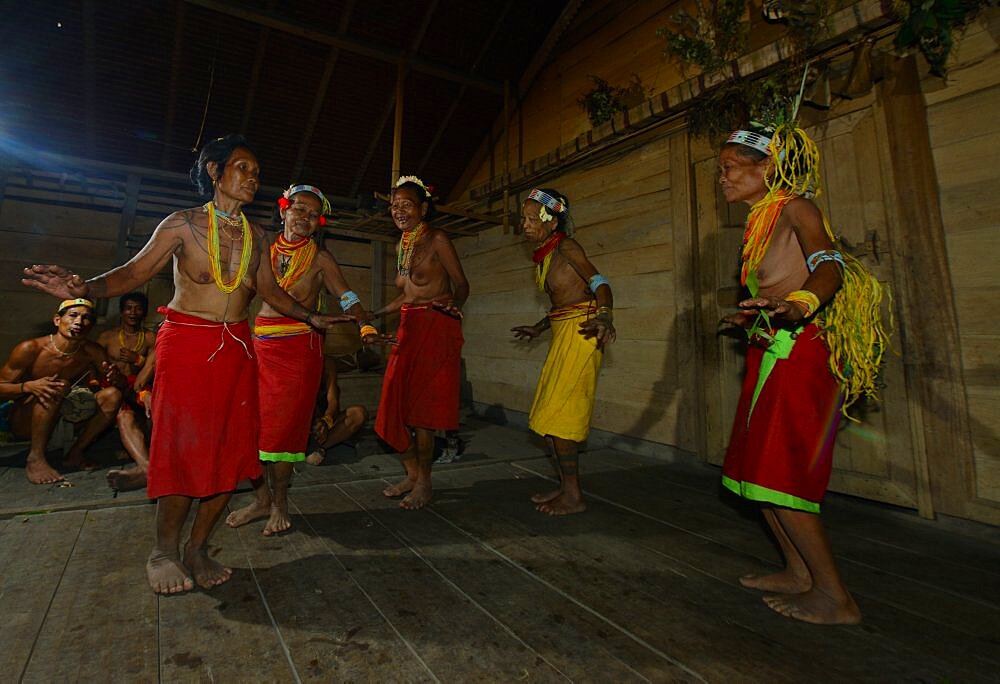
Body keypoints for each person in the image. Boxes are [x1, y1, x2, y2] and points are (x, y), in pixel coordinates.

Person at [22, 134, 349, 594]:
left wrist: (312, 315)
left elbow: (270, 292)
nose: (252, 177)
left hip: (237, 349)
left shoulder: (257, 236)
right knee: (184, 452)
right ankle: (163, 551)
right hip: (188, 348)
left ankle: (197, 546)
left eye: (256, 172)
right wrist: (86, 287)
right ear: (215, 172)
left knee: (230, 452)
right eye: (242, 168)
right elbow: (134, 272)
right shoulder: (181, 225)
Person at [717, 122, 889, 625]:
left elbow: (830, 265)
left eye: (730, 168)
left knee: (781, 472)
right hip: (771, 349)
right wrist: (751, 314)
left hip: (804, 351)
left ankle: (836, 597)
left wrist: (799, 304)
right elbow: (777, 283)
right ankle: (798, 572)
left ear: (766, 167)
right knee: (755, 470)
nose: (722, 179)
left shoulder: (797, 207)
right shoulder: (758, 222)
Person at [225, 183, 370, 536]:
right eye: (298, 208)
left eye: (312, 213)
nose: (304, 216)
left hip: (299, 353)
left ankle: (281, 504)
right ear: (283, 211)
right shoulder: (262, 248)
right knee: (250, 428)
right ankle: (261, 500)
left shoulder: (320, 258)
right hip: (259, 346)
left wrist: (364, 323)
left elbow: (345, 293)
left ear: (319, 221)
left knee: (283, 434)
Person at [511, 188, 616, 515]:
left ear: (552, 220)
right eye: (523, 218)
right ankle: (566, 487)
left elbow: (600, 284)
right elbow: (563, 302)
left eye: (532, 219)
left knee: (562, 415)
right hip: (563, 332)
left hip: (583, 333)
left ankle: (574, 496)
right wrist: (539, 328)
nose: (525, 225)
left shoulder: (568, 247)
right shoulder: (546, 254)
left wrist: (605, 316)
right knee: (548, 414)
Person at [373, 175, 468, 510]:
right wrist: (374, 313)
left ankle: (425, 483)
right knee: (391, 405)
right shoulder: (403, 244)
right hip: (409, 327)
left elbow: (461, 284)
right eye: (395, 206)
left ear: (423, 208)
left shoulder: (437, 238)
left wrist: (456, 302)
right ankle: (412, 473)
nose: (399, 211)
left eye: (407, 205)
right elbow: (408, 295)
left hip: (436, 325)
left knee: (423, 413)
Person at [0, 298, 123, 483]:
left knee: (113, 395)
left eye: (86, 318)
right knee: (51, 389)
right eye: (73, 315)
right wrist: (28, 386)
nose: (79, 322)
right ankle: (36, 458)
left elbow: (112, 383)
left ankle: (75, 453)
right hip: (26, 419)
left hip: (67, 416)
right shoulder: (31, 348)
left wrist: (116, 378)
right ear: (57, 320)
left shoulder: (92, 351)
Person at [97, 292, 156, 494]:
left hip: (139, 390)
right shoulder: (107, 337)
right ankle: (150, 471)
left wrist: (138, 359)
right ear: (121, 311)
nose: (133, 312)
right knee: (123, 412)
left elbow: (156, 367)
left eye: (138, 308)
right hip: (112, 391)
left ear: (144, 312)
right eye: (129, 308)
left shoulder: (150, 338)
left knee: (140, 411)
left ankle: (147, 470)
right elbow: (93, 366)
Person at [106, 340, 156, 493]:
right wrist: (144, 394)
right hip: (151, 417)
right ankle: (147, 470)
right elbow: (137, 387)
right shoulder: (160, 348)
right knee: (125, 416)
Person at [304, 357, 369, 465]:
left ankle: (317, 449)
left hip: (321, 422)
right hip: (301, 423)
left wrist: (326, 421)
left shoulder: (327, 363)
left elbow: (333, 401)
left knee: (358, 413)